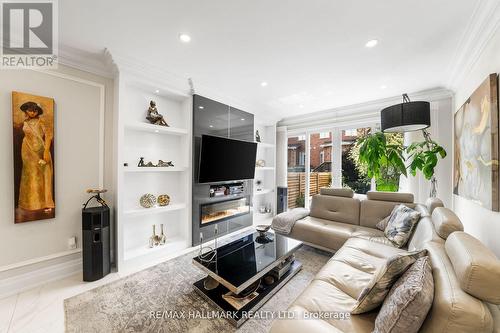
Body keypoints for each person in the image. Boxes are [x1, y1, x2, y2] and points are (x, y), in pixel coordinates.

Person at [18, 101, 55, 212]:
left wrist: (46, 151)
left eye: (35, 110)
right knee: (29, 175)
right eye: (30, 110)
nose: (32, 112)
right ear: (26, 111)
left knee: (42, 175)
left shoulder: (41, 121)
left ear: (38, 111)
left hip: (40, 150)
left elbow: (48, 136)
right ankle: (30, 203)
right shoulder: (24, 122)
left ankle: (44, 203)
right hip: (27, 150)